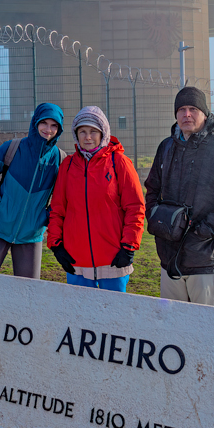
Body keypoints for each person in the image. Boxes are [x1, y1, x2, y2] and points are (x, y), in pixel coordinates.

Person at [145, 86, 214, 306]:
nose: (187, 114)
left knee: (206, 333)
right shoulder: (165, 148)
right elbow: (152, 190)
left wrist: (203, 231)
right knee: (172, 331)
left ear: (204, 113)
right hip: (169, 260)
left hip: (206, 262)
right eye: (182, 109)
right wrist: (157, 219)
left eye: (193, 109)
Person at [47, 105, 145, 291]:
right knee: (79, 316)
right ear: (76, 134)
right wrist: (56, 245)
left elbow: (135, 208)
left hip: (114, 260)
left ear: (103, 133)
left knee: (114, 315)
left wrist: (128, 247)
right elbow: (58, 209)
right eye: (82, 131)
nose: (88, 137)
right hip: (76, 261)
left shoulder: (119, 163)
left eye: (93, 131)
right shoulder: (68, 166)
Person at [0, 102, 64, 279]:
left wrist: (44, 218)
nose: (48, 129)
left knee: (27, 294)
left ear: (59, 130)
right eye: (44, 123)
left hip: (31, 236)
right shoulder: (12, 147)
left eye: (54, 126)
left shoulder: (60, 159)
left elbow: (64, 199)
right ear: (35, 122)